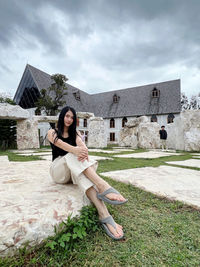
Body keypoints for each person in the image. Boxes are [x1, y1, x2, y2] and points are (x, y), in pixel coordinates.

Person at [48, 106, 128, 240]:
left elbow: (82, 147)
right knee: (71, 155)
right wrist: (76, 150)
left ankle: (104, 214)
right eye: (67, 116)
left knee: (81, 172)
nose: (69, 119)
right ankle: (103, 186)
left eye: (72, 117)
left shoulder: (76, 133)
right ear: (62, 116)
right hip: (58, 171)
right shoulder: (52, 132)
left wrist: (83, 149)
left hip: (73, 170)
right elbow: (62, 145)